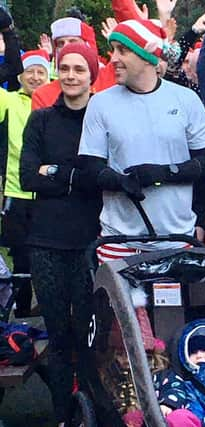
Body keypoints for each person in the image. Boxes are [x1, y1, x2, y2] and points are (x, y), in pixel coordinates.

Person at [78, 17, 205, 258]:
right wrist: (120, 181)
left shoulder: (187, 100)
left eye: (122, 50)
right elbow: (89, 167)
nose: (114, 59)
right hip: (119, 241)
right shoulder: (100, 103)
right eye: (113, 51)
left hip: (176, 238)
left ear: (146, 55)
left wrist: (164, 173)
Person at [19, 43, 101, 427]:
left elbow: (101, 179)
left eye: (78, 69)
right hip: (47, 240)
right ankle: (61, 416)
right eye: (64, 68)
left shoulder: (102, 118)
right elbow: (28, 177)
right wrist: (74, 178)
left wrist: (58, 173)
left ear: (91, 75)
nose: (70, 76)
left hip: (90, 240)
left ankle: (91, 409)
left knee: (88, 334)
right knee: (57, 333)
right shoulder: (41, 121)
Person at [0, 37, 50, 318]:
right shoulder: (9, 100)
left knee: (46, 255)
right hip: (16, 192)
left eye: (41, 71)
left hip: (48, 195)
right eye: (30, 71)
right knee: (20, 256)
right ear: (20, 74)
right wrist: (8, 37)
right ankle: (20, 313)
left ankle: (47, 307)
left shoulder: (55, 103)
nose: (35, 76)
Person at [31, 16, 116, 110]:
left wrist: (117, 44)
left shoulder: (108, 76)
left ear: (87, 45)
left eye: (73, 41)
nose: (66, 47)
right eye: (61, 43)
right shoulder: (42, 95)